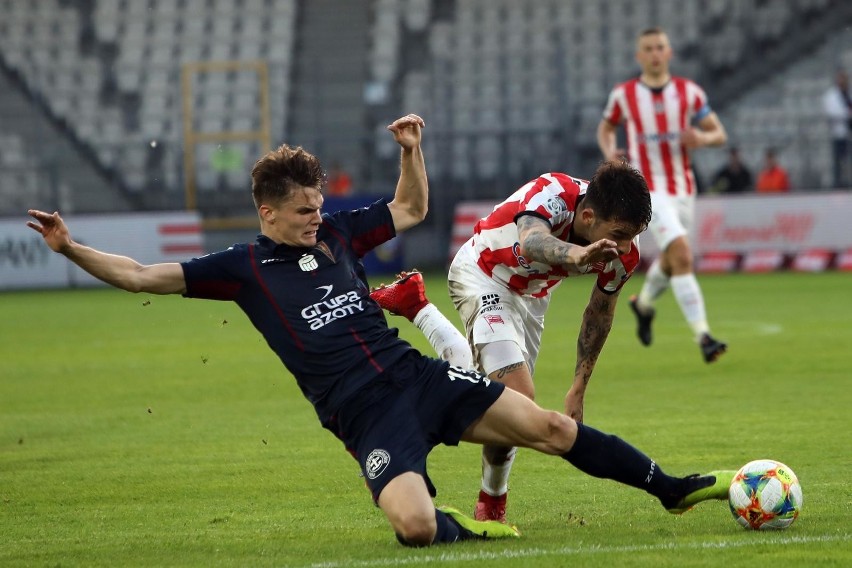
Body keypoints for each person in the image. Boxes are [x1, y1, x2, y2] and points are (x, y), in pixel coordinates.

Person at [27, 114, 734, 547]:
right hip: (363, 414)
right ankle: (459, 521)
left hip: (416, 377)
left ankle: (668, 486)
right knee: (417, 528)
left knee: (548, 427)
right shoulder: (240, 268)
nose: (315, 216)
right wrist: (72, 248)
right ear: (266, 212)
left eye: (317, 204)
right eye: (302, 209)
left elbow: (410, 208)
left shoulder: (337, 233)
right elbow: (141, 276)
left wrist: (409, 148)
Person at [372, 160, 653, 523]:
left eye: (634, 234)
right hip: (484, 273)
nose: (626, 245)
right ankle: (492, 503)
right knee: (516, 398)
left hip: (532, 296)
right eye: (619, 233)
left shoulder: (623, 252)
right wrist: (577, 254)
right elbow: (532, 240)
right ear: (588, 217)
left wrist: (578, 387)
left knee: (489, 391)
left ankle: (416, 305)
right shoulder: (552, 193)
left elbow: (598, 315)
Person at [596, 26, 728, 364]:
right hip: (648, 189)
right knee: (682, 255)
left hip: (684, 188)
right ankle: (704, 336)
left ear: (669, 53)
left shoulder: (689, 93)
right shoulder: (624, 95)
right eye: (648, 49)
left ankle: (643, 305)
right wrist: (610, 151)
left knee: (673, 260)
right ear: (639, 56)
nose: (655, 54)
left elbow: (719, 133)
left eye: (660, 48)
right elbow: (606, 126)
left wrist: (702, 137)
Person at [822, 70, 852, 188]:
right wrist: (847, 114)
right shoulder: (831, 96)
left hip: (849, 133)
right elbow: (832, 112)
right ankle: (839, 183)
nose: (842, 81)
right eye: (840, 79)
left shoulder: (849, 93)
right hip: (839, 133)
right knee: (839, 160)